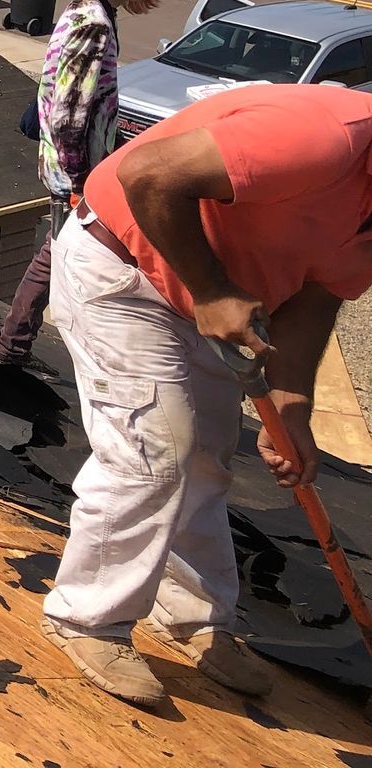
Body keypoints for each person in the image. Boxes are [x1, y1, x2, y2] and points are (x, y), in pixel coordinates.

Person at [39, 83, 372, 709]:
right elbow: (148, 174)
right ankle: (86, 617)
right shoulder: (325, 138)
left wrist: (293, 408)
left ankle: (192, 611)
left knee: (205, 458)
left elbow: (319, 292)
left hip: (203, 296)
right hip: (125, 266)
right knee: (154, 449)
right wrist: (214, 292)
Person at [0, 0, 166, 368]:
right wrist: (79, 184)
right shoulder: (95, 24)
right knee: (67, 262)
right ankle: (13, 349)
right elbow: (67, 115)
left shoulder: (85, 10)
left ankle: (11, 347)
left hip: (75, 170)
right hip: (77, 177)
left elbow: (82, 99)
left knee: (56, 255)